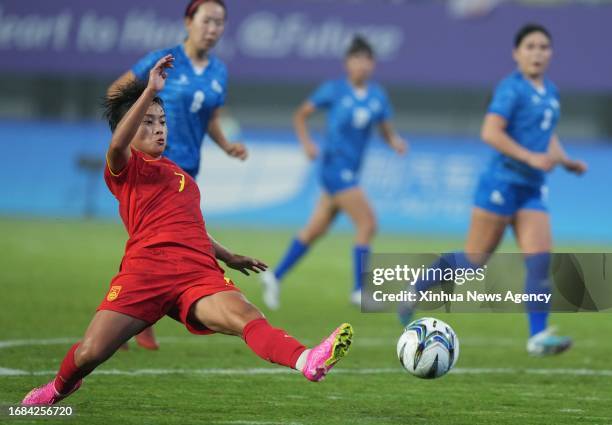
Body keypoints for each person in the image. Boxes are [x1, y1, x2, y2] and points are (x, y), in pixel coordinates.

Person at [22, 56, 353, 406]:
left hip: (196, 272)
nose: (159, 129)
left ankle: (307, 360)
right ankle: (59, 387)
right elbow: (117, 146)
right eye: (148, 123)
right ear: (128, 128)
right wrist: (150, 89)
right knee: (90, 352)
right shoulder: (126, 168)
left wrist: (228, 255)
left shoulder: (183, 179)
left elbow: (190, 229)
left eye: (162, 121)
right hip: (145, 271)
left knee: (248, 317)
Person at [398, 24, 587, 356]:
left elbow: (546, 134)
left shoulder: (551, 92)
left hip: (531, 189)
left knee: (540, 259)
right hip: (500, 185)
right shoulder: (510, 89)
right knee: (474, 261)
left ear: (551, 53)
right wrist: (530, 156)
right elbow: (490, 131)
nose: (537, 53)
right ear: (516, 53)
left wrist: (565, 160)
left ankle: (538, 337)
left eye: (543, 47)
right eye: (530, 46)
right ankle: (415, 290)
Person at [109, 0, 246, 349]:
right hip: (150, 169)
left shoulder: (219, 72)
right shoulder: (163, 60)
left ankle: (136, 310)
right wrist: (130, 138)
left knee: (170, 242)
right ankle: (134, 313)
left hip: (187, 171)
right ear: (188, 21)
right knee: (150, 240)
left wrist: (226, 144)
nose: (213, 29)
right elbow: (117, 94)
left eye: (220, 22)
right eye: (207, 21)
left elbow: (211, 116)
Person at [260, 36, 407, 309]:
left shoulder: (378, 96)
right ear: (347, 63)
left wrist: (395, 142)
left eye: (366, 60)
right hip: (334, 169)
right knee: (368, 223)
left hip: (351, 171)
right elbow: (301, 114)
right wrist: (307, 143)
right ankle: (359, 291)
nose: (361, 65)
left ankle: (274, 276)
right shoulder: (334, 90)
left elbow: (385, 129)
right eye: (356, 59)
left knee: (315, 230)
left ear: (372, 64)